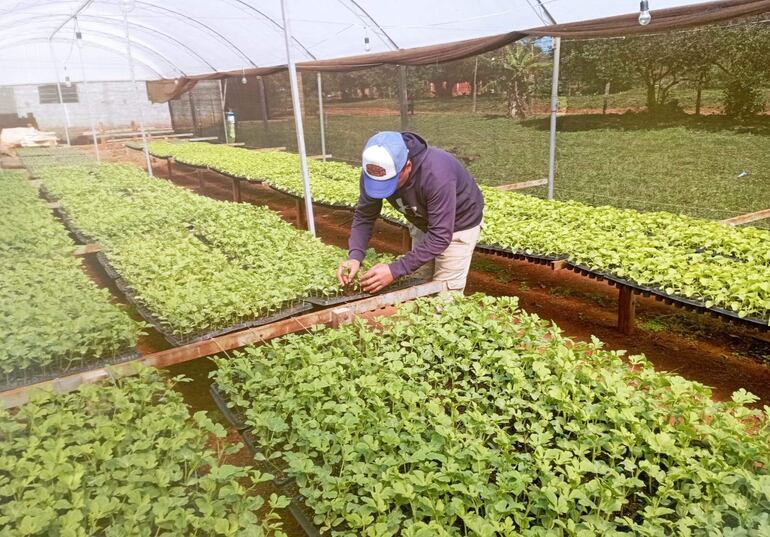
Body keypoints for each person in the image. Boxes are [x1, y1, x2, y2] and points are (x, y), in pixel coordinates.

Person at [337, 131, 484, 294]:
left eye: (391, 181)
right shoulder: (374, 170)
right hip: (422, 221)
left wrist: (395, 269)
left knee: (445, 296)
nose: (386, 188)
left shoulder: (436, 174)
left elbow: (440, 236)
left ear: (407, 166)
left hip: (460, 223)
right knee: (418, 284)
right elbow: (365, 215)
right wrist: (355, 256)